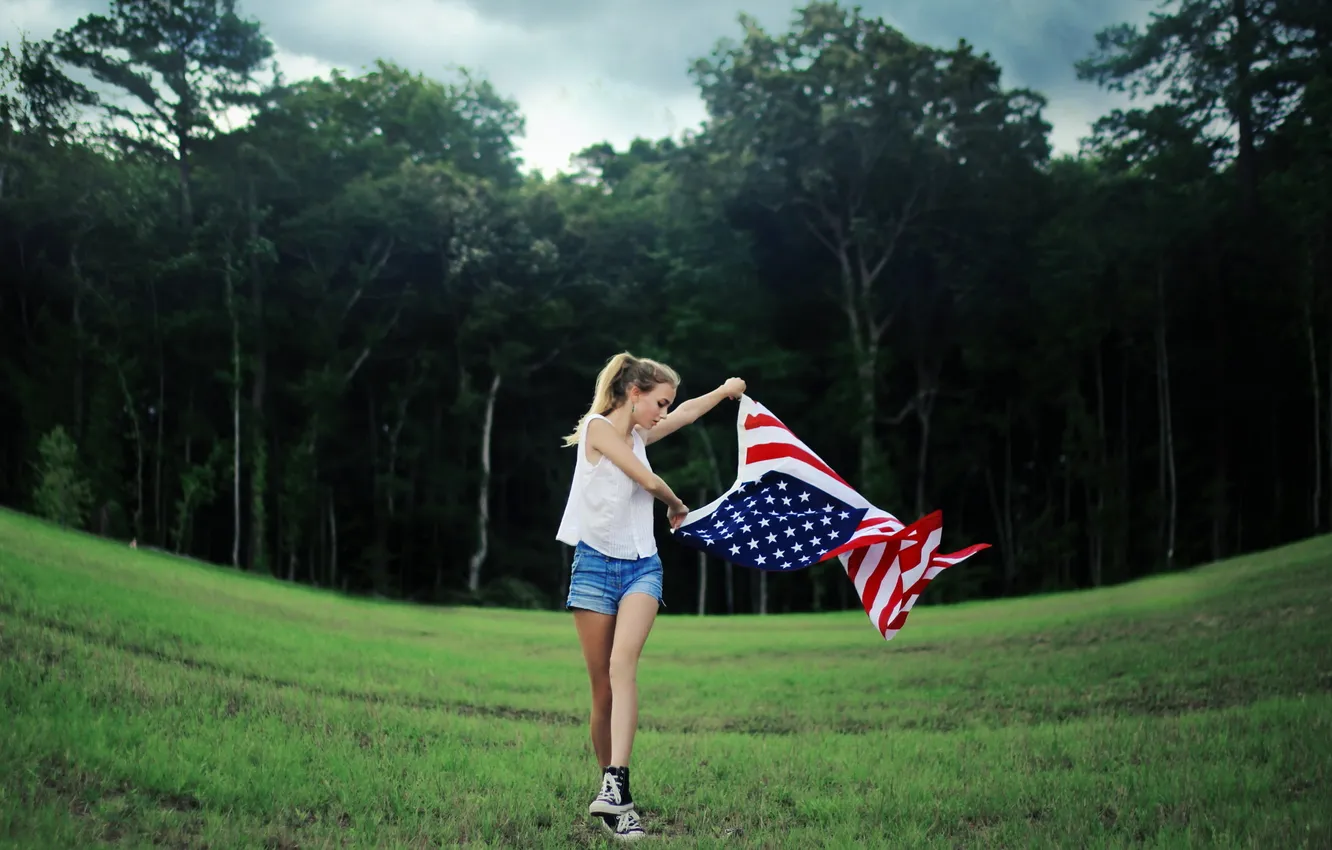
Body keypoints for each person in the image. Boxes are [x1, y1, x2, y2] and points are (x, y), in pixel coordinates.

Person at [556, 351, 745, 841]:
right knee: (602, 689)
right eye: (659, 402)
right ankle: (614, 799)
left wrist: (724, 393)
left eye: (667, 405)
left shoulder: (641, 434)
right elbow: (646, 480)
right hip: (594, 569)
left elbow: (685, 415)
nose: (663, 412)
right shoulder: (599, 428)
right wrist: (678, 505)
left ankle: (617, 785)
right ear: (634, 394)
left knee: (623, 667)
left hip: (643, 566)